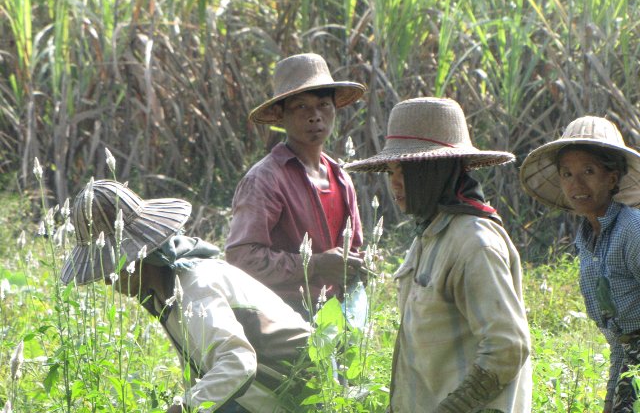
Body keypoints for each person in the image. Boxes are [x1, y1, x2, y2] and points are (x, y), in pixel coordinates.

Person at [345, 97, 532, 412]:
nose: (396, 183)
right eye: (391, 171)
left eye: (406, 170)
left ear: (437, 171)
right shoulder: (429, 234)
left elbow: (507, 347)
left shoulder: (474, 242)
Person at [60, 179, 312, 413]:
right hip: (263, 396)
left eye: (110, 267)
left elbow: (238, 364)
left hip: (308, 392)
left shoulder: (195, 285)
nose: (107, 279)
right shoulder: (162, 292)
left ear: (140, 256)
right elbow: (203, 369)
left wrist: (182, 408)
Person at [225, 53, 366, 316]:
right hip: (282, 320)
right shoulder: (265, 180)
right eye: (301, 107)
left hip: (338, 318)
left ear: (335, 109)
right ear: (280, 115)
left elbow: (353, 248)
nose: (315, 117)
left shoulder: (341, 178)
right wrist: (314, 265)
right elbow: (241, 259)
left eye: (323, 105)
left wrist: (359, 265)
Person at [520, 116, 640, 413]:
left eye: (589, 171)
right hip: (625, 355)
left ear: (612, 178)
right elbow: (618, 334)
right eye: (567, 174)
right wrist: (614, 393)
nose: (577, 183)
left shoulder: (632, 230)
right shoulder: (587, 240)